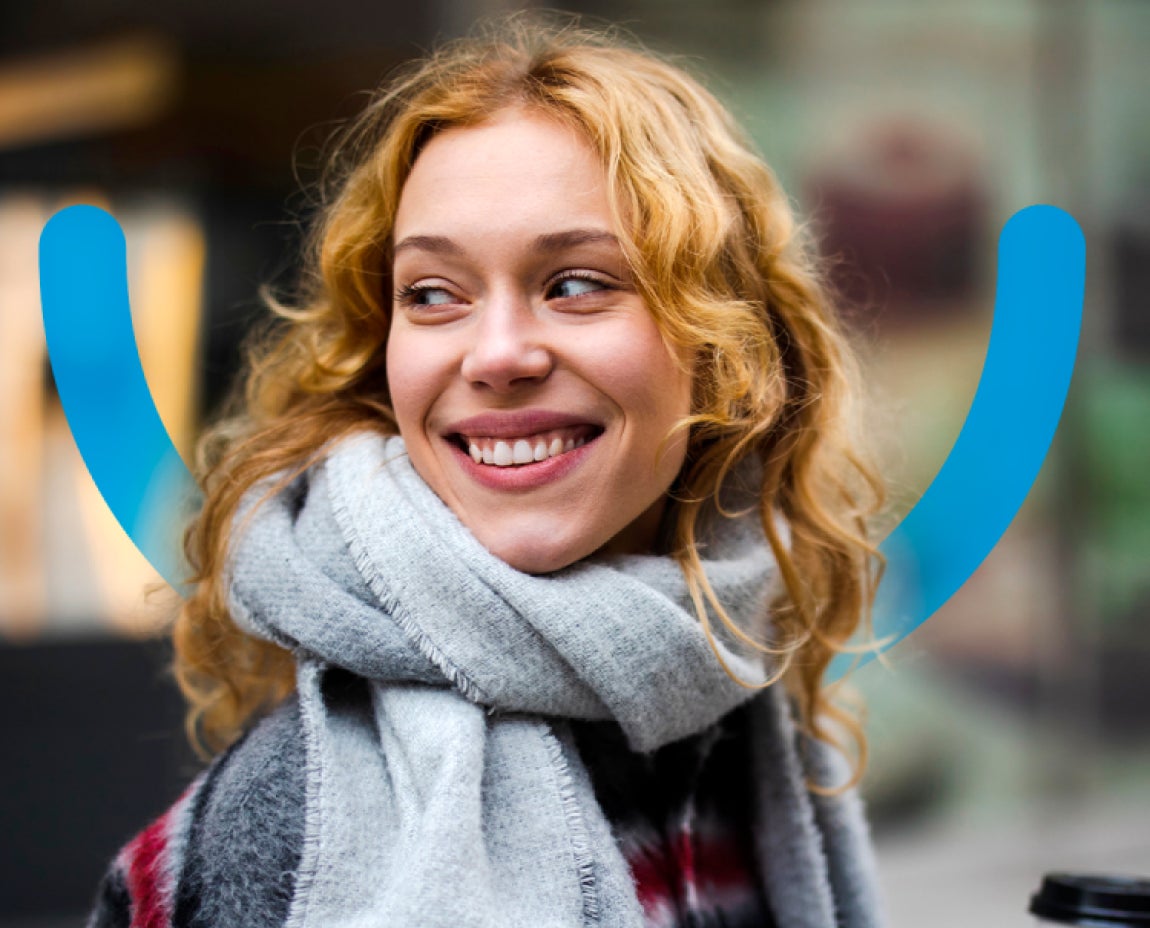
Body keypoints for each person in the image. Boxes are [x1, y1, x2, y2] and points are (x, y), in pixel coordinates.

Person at [88, 16, 887, 928]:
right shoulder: (280, 831)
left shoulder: (745, 706)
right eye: (433, 294)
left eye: (576, 283)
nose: (496, 354)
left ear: (726, 347)